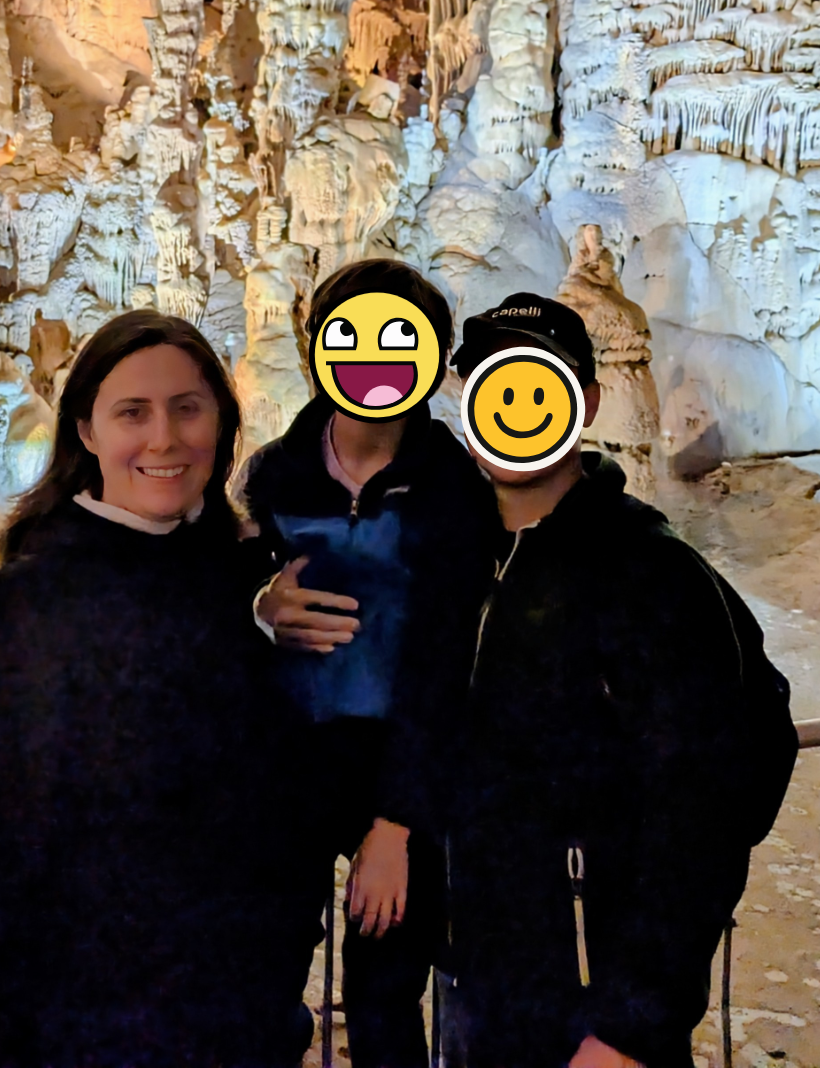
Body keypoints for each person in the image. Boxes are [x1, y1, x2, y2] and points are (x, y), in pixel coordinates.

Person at [0, 311, 299, 1068]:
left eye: (187, 408)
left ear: (221, 423)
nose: (164, 439)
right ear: (86, 431)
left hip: (230, 1026)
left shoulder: (243, 596)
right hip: (68, 1032)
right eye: (132, 413)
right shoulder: (9, 620)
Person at [442, 294, 798, 1068]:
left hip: (596, 1006)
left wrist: (634, 1019)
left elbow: (710, 802)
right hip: (477, 984)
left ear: (588, 401)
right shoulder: (456, 564)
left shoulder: (652, 575)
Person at [243, 258, 500, 1068]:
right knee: (256, 986)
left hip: (398, 765)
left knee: (383, 999)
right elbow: (225, 594)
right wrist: (259, 605)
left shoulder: (453, 488)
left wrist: (396, 823)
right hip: (288, 768)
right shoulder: (276, 474)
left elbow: (445, 661)